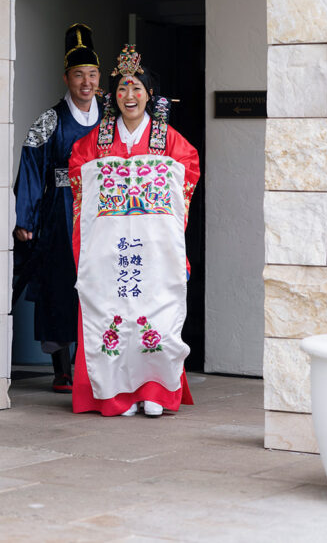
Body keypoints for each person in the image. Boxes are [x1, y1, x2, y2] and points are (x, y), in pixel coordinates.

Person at [68, 44, 200, 417]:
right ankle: (113, 393)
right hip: (110, 248)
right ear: (114, 96)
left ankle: (154, 390)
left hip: (153, 247)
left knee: (154, 312)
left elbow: (188, 166)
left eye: (136, 89)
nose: (129, 96)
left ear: (149, 95)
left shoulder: (167, 139)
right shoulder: (98, 141)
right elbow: (79, 166)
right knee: (112, 313)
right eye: (123, 89)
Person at [13, 23, 102, 393]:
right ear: (66, 78)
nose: (86, 83)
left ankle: (95, 361)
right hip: (60, 213)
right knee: (60, 284)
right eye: (79, 75)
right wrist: (25, 217)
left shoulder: (111, 116)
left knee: (98, 284)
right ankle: (62, 368)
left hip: (101, 209)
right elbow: (31, 165)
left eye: (93, 75)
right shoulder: (50, 119)